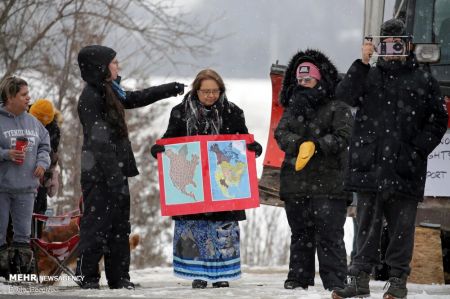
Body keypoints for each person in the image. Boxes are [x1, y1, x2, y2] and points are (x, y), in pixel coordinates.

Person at [332, 19, 448, 299]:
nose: (393, 50)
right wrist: (362, 62)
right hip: (368, 166)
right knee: (365, 226)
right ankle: (358, 279)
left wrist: (416, 150)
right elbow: (343, 96)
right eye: (387, 44)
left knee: (401, 228)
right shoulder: (368, 75)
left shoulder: (423, 78)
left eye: (398, 44)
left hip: (404, 168)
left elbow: (438, 120)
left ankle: (397, 282)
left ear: (408, 45)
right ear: (378, 46)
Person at [75, 45, 185, 290]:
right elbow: (99, 142)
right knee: (97, 226)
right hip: (100, 174)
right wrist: (113, 177)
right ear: (100, 67)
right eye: (114, 62)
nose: (118, 66)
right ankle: (87, 277)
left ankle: (119, 277)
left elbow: (134, 98)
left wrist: (168, 89)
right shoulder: (91, 96)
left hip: (117, 172)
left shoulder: (110, 90)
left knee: (119, 226)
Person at [150, 69, 262, 289]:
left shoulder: (233, 112)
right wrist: (160, 149)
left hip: (222, 183)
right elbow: (170, 139)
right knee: (196, 228)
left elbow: (242, 139)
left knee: (222, 228)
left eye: (215, 91)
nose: (211, 96)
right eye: (206, 91)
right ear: (196, 90)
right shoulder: (180, 112)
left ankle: (222, 274)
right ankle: (198, 273)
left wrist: (252, 148)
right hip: (195, 183)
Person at [274, 50, 353, 292]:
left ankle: (336, 282)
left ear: (320, 78)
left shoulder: (338, 106)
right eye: (299, 81)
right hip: (296, 184)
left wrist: (317, 146)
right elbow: (281, 133)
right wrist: (299, 144)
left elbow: (343, 135)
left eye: (307, 80)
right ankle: (298, 278)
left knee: (330, 235)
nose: (303, 84)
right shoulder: (292, 107)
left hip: (330, 184)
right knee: (300, 234)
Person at [0, 76, 51, 278]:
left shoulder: (33, 122)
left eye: (28, 94)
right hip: (2, 187)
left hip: (27, 188)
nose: (28, 98)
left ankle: (21, 274)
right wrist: (6, 154)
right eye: (24, 94)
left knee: (23, 236)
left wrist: (42, 163)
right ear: (10, 96)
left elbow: (45, 147)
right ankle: (2, 275)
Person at [29, 99, 61, 218]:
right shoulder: (21, 120)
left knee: (39, 212)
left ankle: (38, 230)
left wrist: (52, 176)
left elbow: (52, 154)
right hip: (21, 176)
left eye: (42, 122)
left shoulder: (53, 130)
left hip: (41, 176)